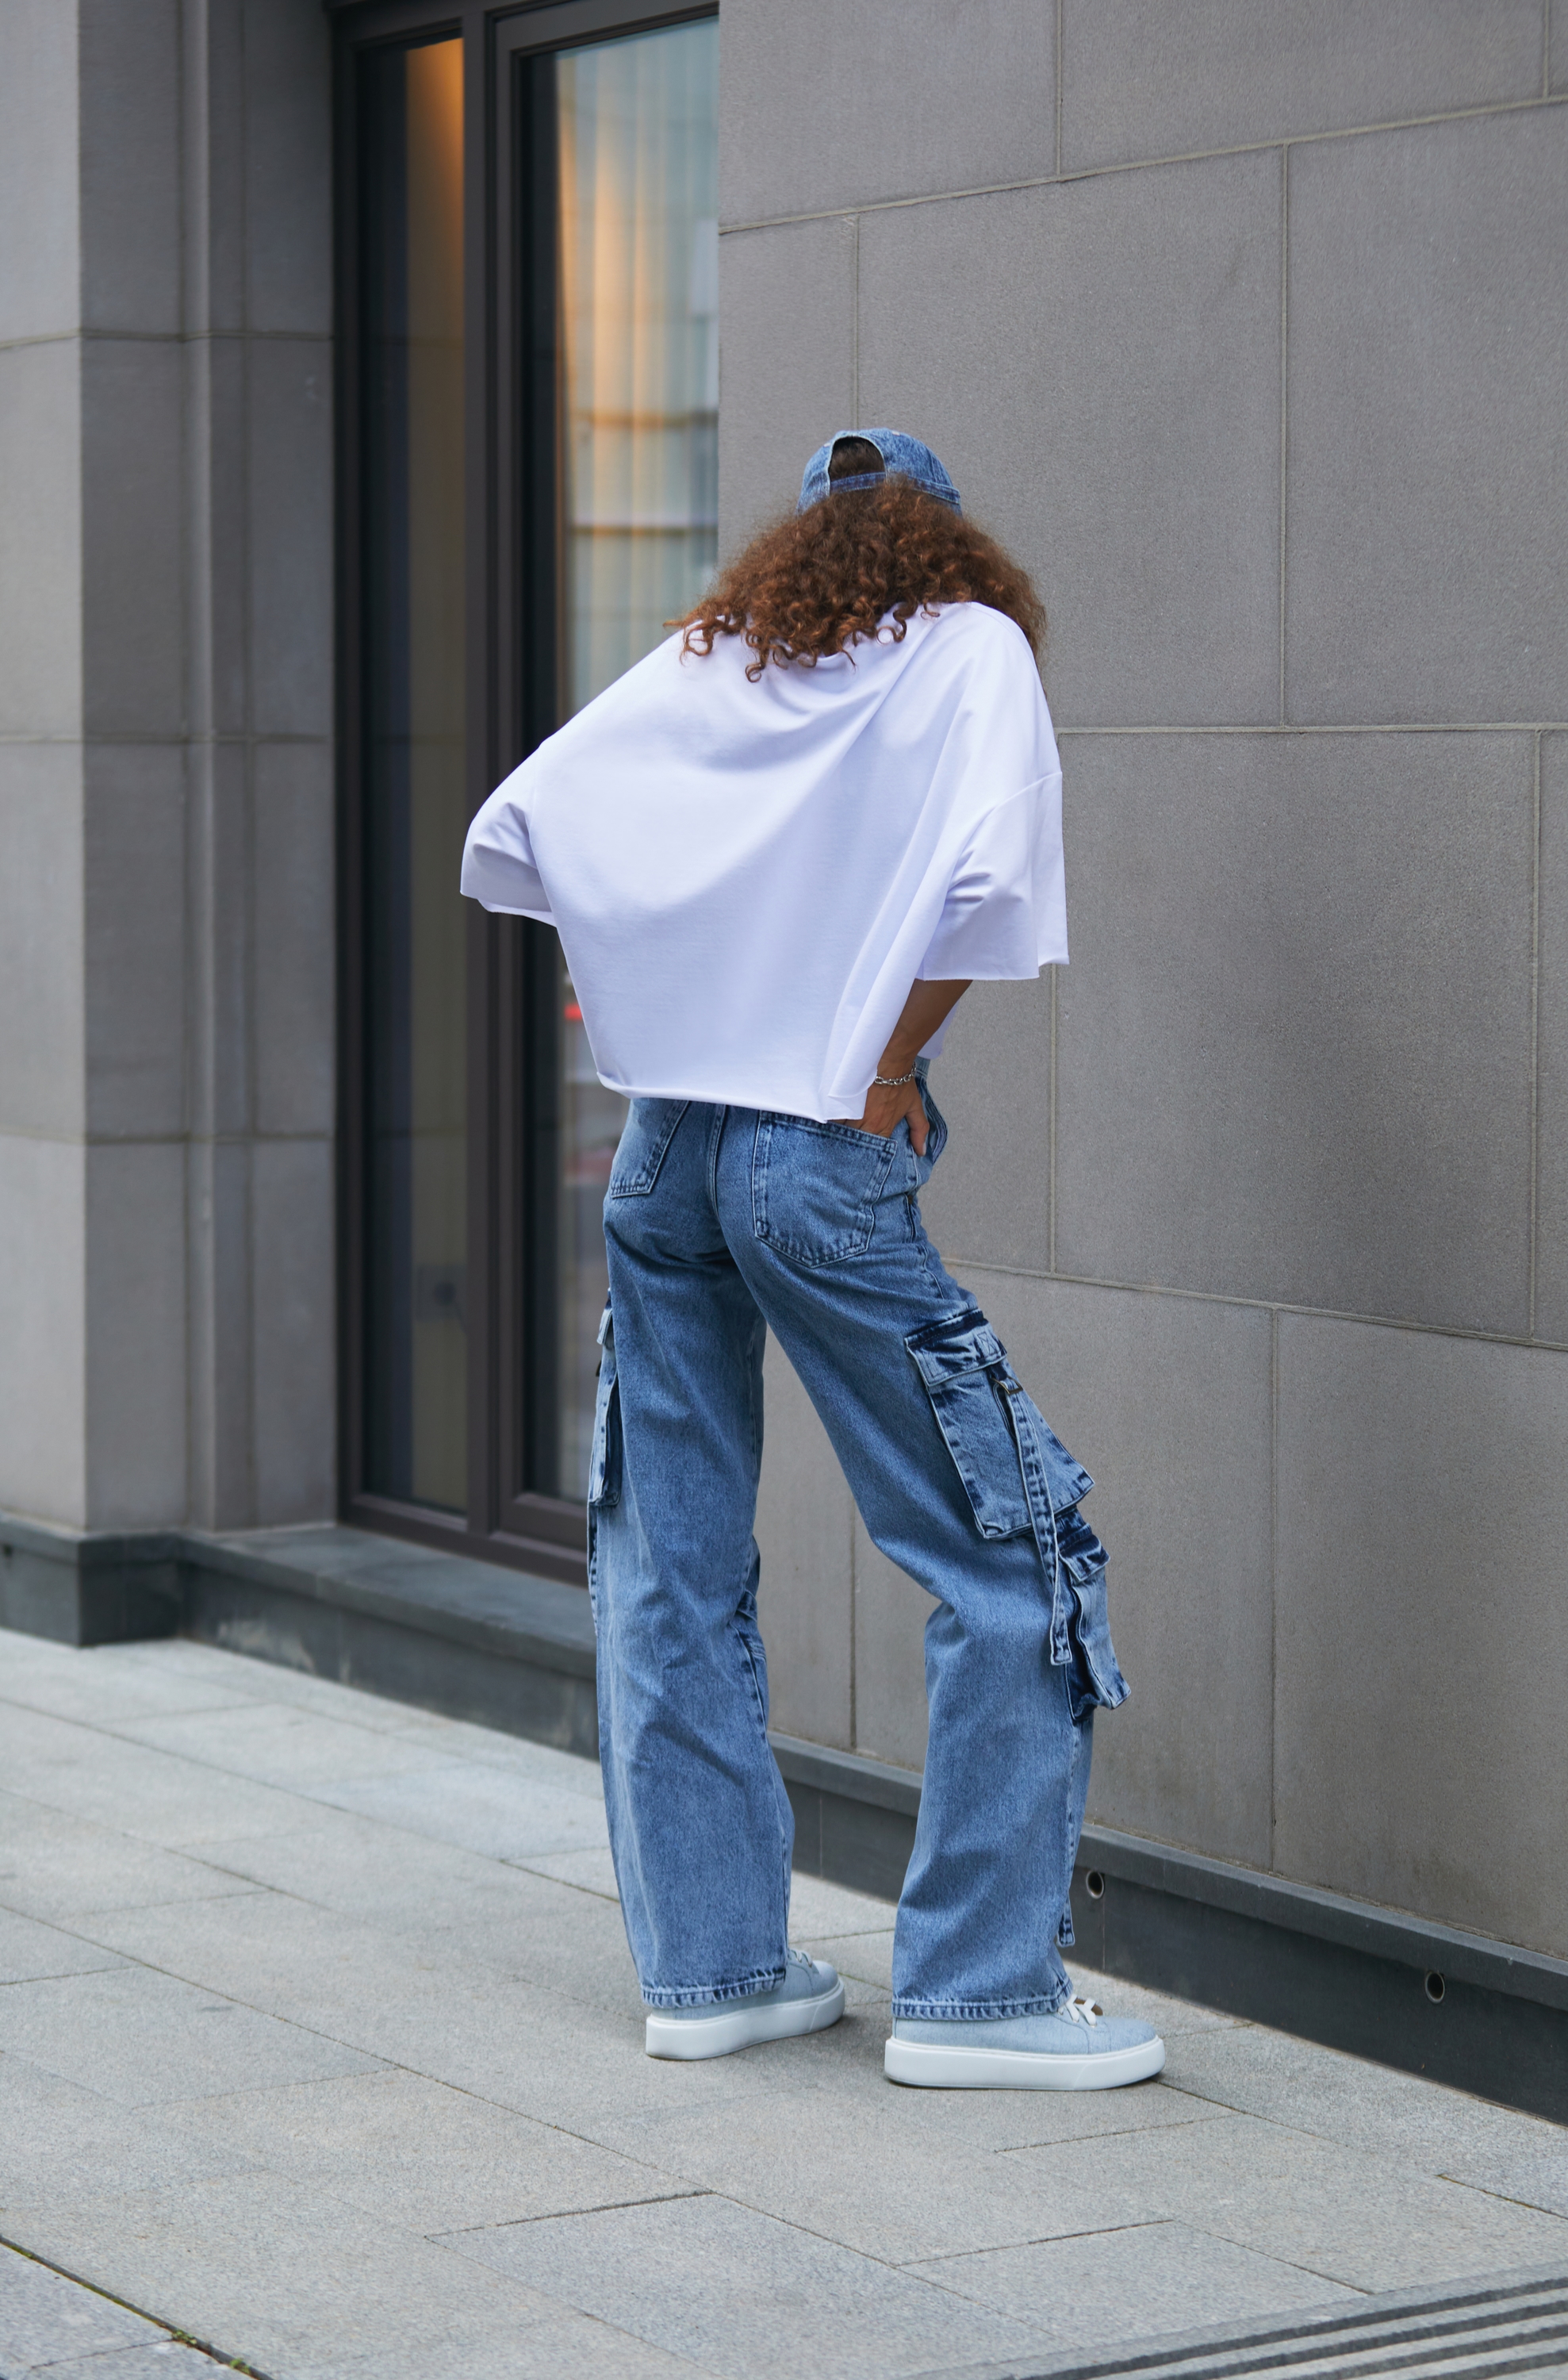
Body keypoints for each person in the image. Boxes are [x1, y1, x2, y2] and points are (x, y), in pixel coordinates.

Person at [462, 430, 1162, 2091]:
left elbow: (530, 821)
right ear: (944, 538)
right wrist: (887, 1060)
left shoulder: (727, 655)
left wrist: (673, 990)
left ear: (802, 545)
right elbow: (993, 877)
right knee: (1014, 1554)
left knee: (671, 1564)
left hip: (668, 1146)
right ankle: (979, 1996)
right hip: (813, 1156)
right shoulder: (971, 648)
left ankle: (714, 1974)